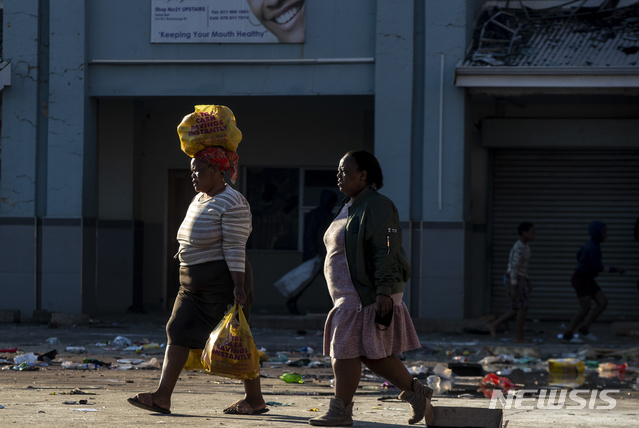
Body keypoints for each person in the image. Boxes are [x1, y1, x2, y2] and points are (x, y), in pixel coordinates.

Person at [127, 146, 267, 416]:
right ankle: (162, 397)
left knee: (237, 339)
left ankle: (255, 399)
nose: (193, 176)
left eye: (199, 170)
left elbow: (235, 247)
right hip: (191, 287)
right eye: (191, 171)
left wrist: (238, 286)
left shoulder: (232, 202)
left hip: (223, 285)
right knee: (177, 330)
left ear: (216, 170)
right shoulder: (200, 199)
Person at [308, 150, 433, 427]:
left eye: (345, 171)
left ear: (363, 175)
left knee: (343, 352)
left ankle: (340, 412)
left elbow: (386, 250)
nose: (339, 176)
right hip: (350, 294)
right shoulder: (350, 204)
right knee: (369, 353)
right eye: (339, 171)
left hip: (365, 294)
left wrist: (384, 290)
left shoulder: (377, 205)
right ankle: (417, 394)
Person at [561, 220, 625, 342]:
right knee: (585, 307)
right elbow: (598, 267)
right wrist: (616, 269)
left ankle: (584, 328)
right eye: (604, 232)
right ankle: (567, 334)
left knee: (602, 302)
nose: (606, 235)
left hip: (587, 278)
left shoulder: (590, 244)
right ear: (597, 233)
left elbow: (578, 255)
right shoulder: (593, 247)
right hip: (581, 279)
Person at [286, 189, 338, 314]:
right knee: (324, 280)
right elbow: (309, 234)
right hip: (316, 256)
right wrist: (313, 251)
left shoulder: (328, 215)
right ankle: (293, 300)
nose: (333, 205)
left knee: (326, 280)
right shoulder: (316, 215)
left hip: (324, 255)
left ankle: (335, 306)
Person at [487, 222, 535, 343]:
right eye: (531, 232)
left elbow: (523, 267)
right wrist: (513, 286)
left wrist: (527, 281)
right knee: (521, 307)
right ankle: (518, 336)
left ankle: (495, 325)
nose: (533, 235)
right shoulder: (518, 247)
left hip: (519, 278)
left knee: (517, 307)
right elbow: (514, 267)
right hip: (514, 278)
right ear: (524, 233)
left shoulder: (526, 247)